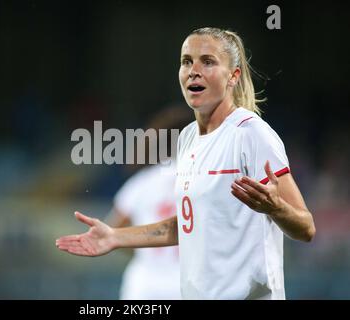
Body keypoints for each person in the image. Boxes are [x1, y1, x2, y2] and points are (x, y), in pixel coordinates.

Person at [56, 27, 316, 300]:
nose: (194, 70)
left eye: (208, 61)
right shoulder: (188, 138)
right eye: (186, 61)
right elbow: (191, 225)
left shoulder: (250, 133)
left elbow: (306, 228)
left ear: (233, 76)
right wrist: (115, 236)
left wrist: (276, 208)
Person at [107, 106, 191, 300]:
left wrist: (145, 247)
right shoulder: (205, 181)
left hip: (144, 286)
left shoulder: (142, 182)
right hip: (186, 286)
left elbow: (114, 230)